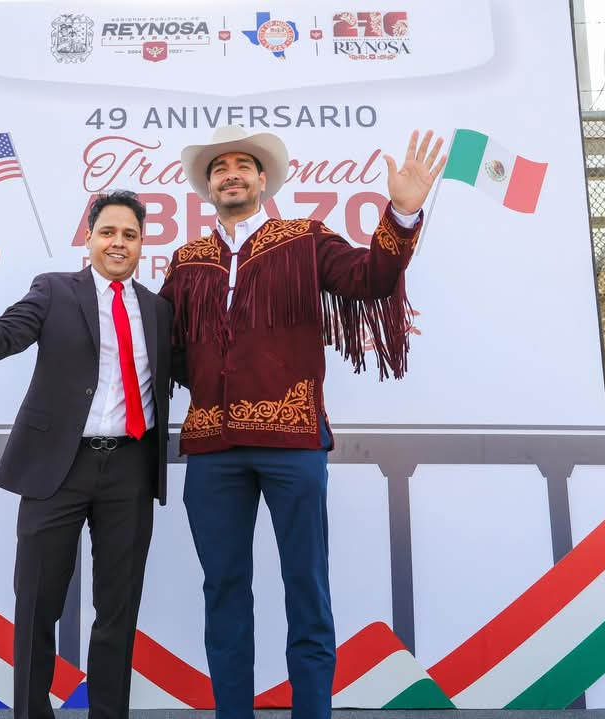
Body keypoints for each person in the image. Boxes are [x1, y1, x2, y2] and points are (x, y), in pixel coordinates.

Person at [159, 125, 446, 719]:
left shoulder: (304, 240)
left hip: (292, 443)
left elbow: (372, 279)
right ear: (207, 187)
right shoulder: (186, 261)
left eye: (243, 165)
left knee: (307, 591)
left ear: (263, 181)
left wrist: (402, 213)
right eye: (220, 169)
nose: (231, 174)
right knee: (223, 594)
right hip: (212, 450)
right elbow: (168, 350)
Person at [0, 190, 173, 719]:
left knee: (117, 610)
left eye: (130, 235)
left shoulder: (159, 310)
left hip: (130, 470)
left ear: (142, 245)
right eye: (109, 232)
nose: (119, 243)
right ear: (89, 238)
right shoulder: (53, 291)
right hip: (57, 469)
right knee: (37, 605)